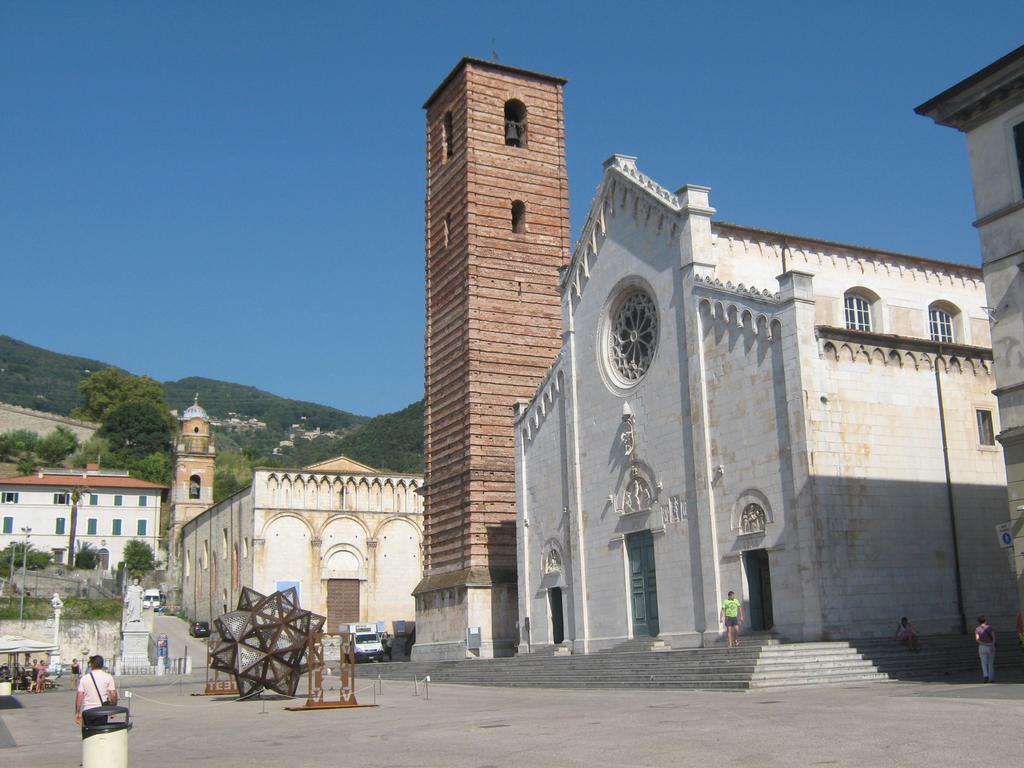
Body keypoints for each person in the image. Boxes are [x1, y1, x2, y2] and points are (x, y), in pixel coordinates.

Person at [75, 655, 117, 728]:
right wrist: (113, 709)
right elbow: (113, 694)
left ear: (92, 665)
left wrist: (78, 712)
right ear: (102, 664)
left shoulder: (84, 678)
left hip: (88, 710)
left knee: (89, 734)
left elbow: (79, 695)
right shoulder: (108, 677)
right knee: (101, 734)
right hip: (101, 710)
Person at [975, 615, 996, 683]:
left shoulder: (977, 629)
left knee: (983, 663)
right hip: (990, 646)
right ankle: (991, 678)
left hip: (982, 647)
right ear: (985, 621)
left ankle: (985, 675)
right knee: (990, 663)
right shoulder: (989, 628)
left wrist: (983, 643)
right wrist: (992, 644)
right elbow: (993, 636)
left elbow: (977, 639)